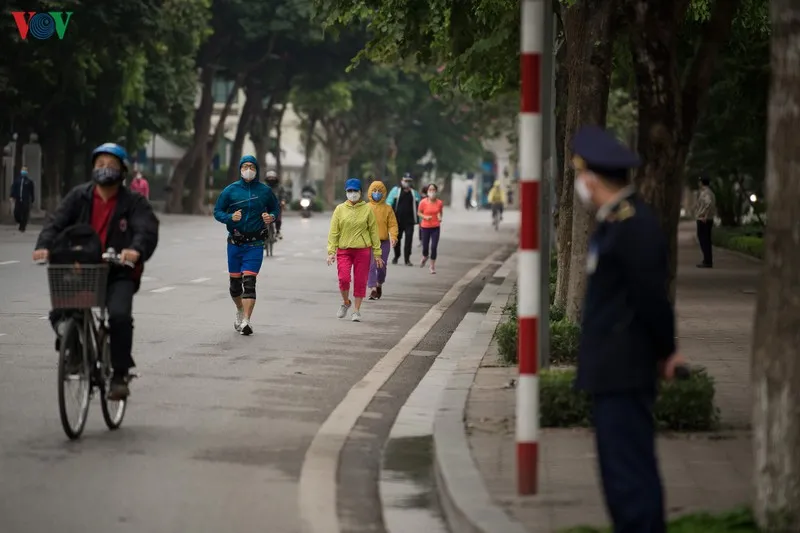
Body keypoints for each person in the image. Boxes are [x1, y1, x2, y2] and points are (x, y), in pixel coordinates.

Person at [570, 125, 687, 533]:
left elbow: (651, 297)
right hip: (613, 368)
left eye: (580, 176)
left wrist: (665, 351)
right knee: (619, 478)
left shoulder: (633, 226)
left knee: (630, 476)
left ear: (591, 178)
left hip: (625, 367)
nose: (579, 185)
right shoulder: (616, 222)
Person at [32, 143, 160, 400]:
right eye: (100, 164)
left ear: (122, 171)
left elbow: (145, 230)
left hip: (118, 272)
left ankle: (120, 375)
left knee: (119, 317)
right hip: (82, 269)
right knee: (61, 315)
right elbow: (55, 223)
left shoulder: (133, 202)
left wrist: (134, 250)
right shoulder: (79, 196)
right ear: (92, 168)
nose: (104, 170)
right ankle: (76, 351)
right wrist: (44, 246)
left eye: (111, 165)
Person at [214, 155, 280, 335]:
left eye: (251, 166)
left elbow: (275, 208)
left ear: (257, 169)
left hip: (255, 244)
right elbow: (217, 211)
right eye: (245, 166)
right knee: (235, 286)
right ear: (240, 169)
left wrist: (271, 217)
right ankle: (239, 309)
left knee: (249, 283)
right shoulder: (230, 190)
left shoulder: (265, 191)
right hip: (235, 243)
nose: (248, 169)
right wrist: (230, 217)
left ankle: (246, 321)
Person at [327, 178, 383, 322]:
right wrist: (331, 252)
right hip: (344, 250)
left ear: (360, 192)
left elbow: (373, 232)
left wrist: (377, 253)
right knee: (344, 278)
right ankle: (346, 302)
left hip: (362, 250)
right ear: (346, 192)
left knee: (360, 280)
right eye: (349, 191)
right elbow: (334, 232)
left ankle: (356, 311)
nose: (352, 194)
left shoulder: (367, 209)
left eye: (355, 191)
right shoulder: (340, 209)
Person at [366, 180, 398, 300]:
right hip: (369, 243)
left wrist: (394, 236)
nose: (377, 193)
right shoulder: (366, 208)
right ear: (370, 192)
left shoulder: (388, 209)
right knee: (371, 266)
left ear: (384, 193)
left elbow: (393, 224)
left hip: (383, 243)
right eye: (374, 191)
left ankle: (379, 283)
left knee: (381, 267)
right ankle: (373, 288)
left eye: (379, 191)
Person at [386, 173, 421, 266]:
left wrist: (420, 220)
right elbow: (388, 203)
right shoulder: (395, 191)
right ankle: (397, 256)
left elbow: (420, 207)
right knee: (397, 239)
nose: (407, 183)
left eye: (409, 181)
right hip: (397, 221)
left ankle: (407, 259)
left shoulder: (414, 193)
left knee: (409, 240)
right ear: (402, 181)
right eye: (405, 181)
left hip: (409, 221)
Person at [417, 183, 443, 274]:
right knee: (425, 246)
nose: (432, 192)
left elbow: (439, 212)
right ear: (427, 191)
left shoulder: (439, 202)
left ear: (436, 191)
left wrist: (439, 217)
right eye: (430, 190)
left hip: (435, 227)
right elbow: (419, 213)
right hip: (425, 227)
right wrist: (425, 217)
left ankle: (432, 266)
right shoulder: (423, 202)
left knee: (434, 247)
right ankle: (425, 256)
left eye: (433, 190)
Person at [695, 176, 716, 268]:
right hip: (706, 219)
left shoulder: (706, 193)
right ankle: (707, 260)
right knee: (705, 240)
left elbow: (709, 203)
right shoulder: (709, 192)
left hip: (704, 219)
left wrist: (704, 215)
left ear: (701, 182)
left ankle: (707, 261)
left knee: (704, 240)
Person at [10, 166, 34, 232]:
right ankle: (19, 220)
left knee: (25, 213)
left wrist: (32, 200)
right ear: (21, 171)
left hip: (25, 200)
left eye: (25, 170)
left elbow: (32, 191)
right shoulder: (17, 180)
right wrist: (12, 196)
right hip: (18, 199)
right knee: (16, 212)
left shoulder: (29, 181)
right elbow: (13, 188)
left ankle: (22, 226)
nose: (24, 172)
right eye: (23, 170)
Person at [264, 170, 286, 239]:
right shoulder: (263, 187)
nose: (271, 179)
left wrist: (283, 201)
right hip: (266, 206)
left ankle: (278, 231)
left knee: (278, 219)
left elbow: (283, 195)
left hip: (276, 206)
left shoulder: (280, 187)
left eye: (272, 178)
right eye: (269, 178)